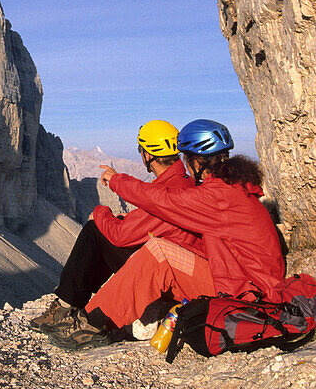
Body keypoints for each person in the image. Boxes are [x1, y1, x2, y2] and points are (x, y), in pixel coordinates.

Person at [77, 119, 286, 339]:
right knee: (166, 248)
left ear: (197, 162)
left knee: (160, 253)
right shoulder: (230, 188)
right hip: (246, 281)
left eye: (186, 158)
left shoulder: (219, 197)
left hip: (246, 294)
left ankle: (92, 323)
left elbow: (163, 200)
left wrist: (117, 181)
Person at [31, 120, 204, 347]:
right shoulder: (181, 183)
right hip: (172, 269)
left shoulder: (168, 193)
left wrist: (99, 213)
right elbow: (142, 216)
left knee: (96, 231)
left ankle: (66, 307)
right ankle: (69, 305)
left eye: (141, 150)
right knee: (106, 229)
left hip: (163, 277)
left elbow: (121, 235)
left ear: (147, 156)